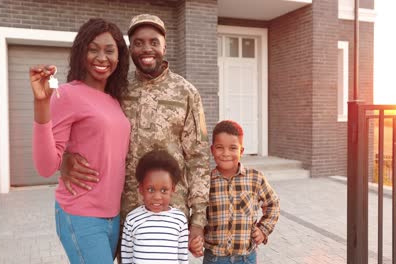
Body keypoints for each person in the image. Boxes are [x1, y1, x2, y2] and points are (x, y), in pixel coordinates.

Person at [59, 14, 210, 257]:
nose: (146, 48)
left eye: (153, 41)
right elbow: (84, 126)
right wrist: (64, 156)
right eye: (138, 42)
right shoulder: (117, 89)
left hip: (171, 212)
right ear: (130, 49)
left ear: (164, 46)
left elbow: (198, 158)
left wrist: (198, 221)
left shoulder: (187, 92)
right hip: (124, 211)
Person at [30, 18, 130, 263]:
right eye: (93, 49)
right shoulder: (67, 94)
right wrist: (41, 104)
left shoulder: (115, 100)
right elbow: (45, 167)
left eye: (109, 50)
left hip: (113, 216)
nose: (101, 57)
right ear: (81, 52)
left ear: (119, 57)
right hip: (81, 213)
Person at [203, 120, 280, 264]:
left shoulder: (255, 178)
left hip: (246, 258)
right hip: (214, 258)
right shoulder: (206, 182)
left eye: (233, 148)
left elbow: (273, 203)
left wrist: (263, 230)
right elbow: (196, 213)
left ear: (241, 151)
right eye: (220, 148)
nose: (226, 153)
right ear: (212, 150)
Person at [121, 150, 189, 264]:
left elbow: (183, 258)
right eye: (151, 189)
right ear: (141, 189)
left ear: (172, 189)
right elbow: (127, 258)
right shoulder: (132, 219)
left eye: (164, 190)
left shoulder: (180, 220)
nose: (157, 197)